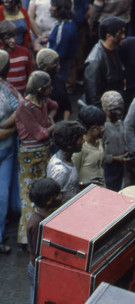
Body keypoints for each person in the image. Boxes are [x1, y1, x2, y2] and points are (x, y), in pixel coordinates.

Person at [15, 70, 56, 246]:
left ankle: (39, 234)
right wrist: (53, 126)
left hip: (43, 152)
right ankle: (27, 237)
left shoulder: (43, 101)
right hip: (29, 155)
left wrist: (49, 121)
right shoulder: (24, 106)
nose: (51, 90)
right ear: (39, 89)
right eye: (47, 88)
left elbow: (55, 106)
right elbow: (40, 133)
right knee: (29, 195)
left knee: (42, 195)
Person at [23, 178, 61, 304]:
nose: (60, 197)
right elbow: (39, 254)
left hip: (43, 270)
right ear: (47, 200)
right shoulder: (36, 224)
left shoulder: (46, 215)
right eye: (56, 195)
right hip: (39, 272)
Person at [0, 49, 19, 255]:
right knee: (2, 195)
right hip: (6, 150)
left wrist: (5, 129)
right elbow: (20, 108)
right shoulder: (8, 89)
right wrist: (8, 129)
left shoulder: (8, 89)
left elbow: (19, 108)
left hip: (6, 150)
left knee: (3, 196)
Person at [84, 16, 126, 107]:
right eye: (120, 33)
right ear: (109, 36)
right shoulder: (95, 61)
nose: (124, 36)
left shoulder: (115, 50)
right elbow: (93, 98)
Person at [47, 121, 85, 203]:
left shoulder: (63, 157)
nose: (83, 141)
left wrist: (82, 185)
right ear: (69, 145)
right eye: (80, 139)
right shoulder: (61, 171)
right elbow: (55, 200)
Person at [101, 91, 129, 191]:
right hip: (109, 168)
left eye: (120, 109)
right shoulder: (103, 128)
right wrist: (114, 158)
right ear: (106, 110)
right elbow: (100, 154)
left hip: (122, 167)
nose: (118, 112)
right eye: (114, 110)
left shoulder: (121, 124)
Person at [72, 105, 106, 184]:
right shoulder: (80, 149)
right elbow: (73, 177)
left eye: (103, 125)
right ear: (86, 128)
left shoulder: (100, 142)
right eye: (97, 128)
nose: (103, 129)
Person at [36, 48, 71, 122]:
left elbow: (67, 107)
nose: (58, 65)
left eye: (58, 62)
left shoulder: (60, 81)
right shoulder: (35, 85)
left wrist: (65, 123)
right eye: (54, 63)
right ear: (44, 67)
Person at [47, 0, 78, 81]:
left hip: (59, 71)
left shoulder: (64, 28)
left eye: (53, 6)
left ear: (60, 10)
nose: (50, 8)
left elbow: (59, 52)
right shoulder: (59, 23)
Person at [0, 21, 33, 94]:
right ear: (1, 39)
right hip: (6, 96)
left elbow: (30, 74)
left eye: (14, 36)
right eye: (8, 38)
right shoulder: (1, 55)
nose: (13, 40)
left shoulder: (24, 52)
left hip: (23, 94)